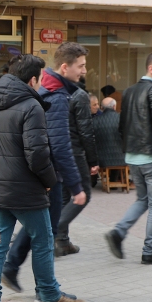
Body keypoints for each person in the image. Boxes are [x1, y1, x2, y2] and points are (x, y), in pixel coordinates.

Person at [0, 54, 87, 302]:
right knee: (43, 240)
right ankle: (51, 299)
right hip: (27, 190)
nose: (41, 84)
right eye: (40, 79)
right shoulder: (31, 105)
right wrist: (50, 180)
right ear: (32, 79)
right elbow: (38, 154)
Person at [2, 42, 88, 294]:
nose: (83, 71)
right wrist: (76, 186)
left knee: (37, 229)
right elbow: (60, 145)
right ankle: (47, 291)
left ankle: (11, 272)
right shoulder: (58, 95)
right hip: (47, 175)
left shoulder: (42, 87)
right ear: (65, 66)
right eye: (80, 66)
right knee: (46, 234)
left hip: (24, 173)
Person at [105, 52, 152, 264]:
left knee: (143, 200)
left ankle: (118, 232)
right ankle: (150, 251)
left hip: (132, 156)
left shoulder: (130, 91)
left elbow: (122, 126)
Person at [56, 76, 99, 256]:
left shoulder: (53, 92)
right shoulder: (80, 95)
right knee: (83, 194)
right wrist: (93, 160)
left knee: (65, 196)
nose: (84, 70)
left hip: (59, 150)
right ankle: (53, 231)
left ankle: (62, 241)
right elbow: (85, 131)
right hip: (74, 152)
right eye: (81, 66)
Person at [93, 97, 125, 169]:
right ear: (114, 106)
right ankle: (115, 178)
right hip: (122, 159)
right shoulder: (122, 118)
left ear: (102, 108)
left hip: (102, 160)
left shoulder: (95, 120)